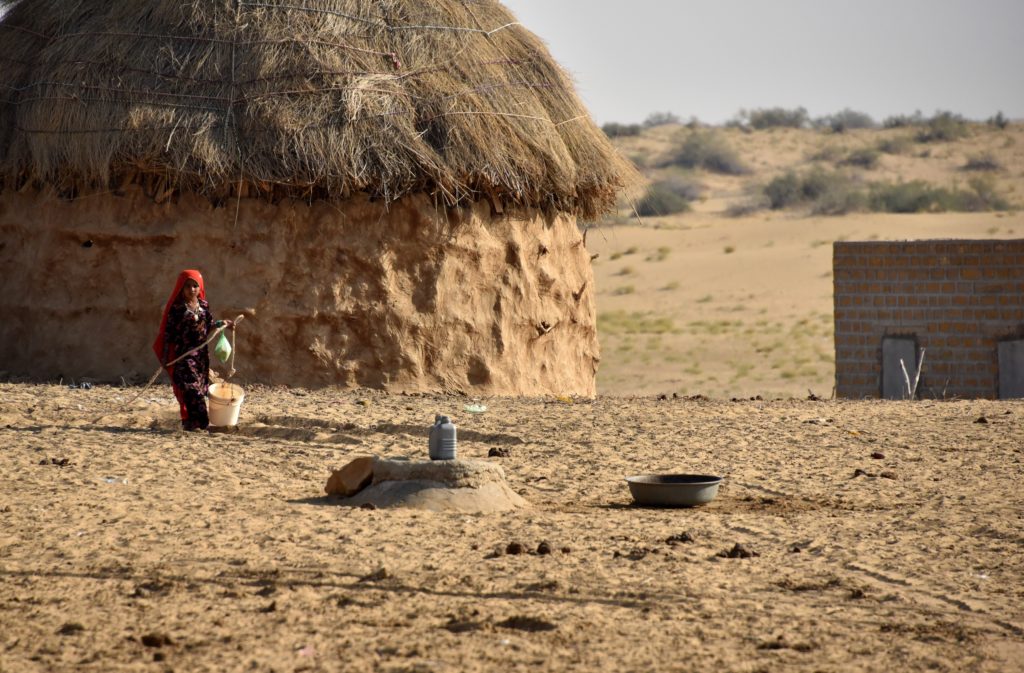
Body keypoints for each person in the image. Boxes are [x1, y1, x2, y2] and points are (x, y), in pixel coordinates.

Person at [152, 270, 232, 431]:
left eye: (195, 285)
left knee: (199, 389)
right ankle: (201, 423)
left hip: (201, 356)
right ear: (181, 288)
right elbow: (169, 334)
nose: (192, 289)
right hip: (184, 356)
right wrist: (166, 357)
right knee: (191, 388)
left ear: (200, 287)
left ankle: (191, 423)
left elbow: (208, 325)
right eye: (187, 286)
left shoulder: (204, 305)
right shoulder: (177, 309)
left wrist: (222, 323)